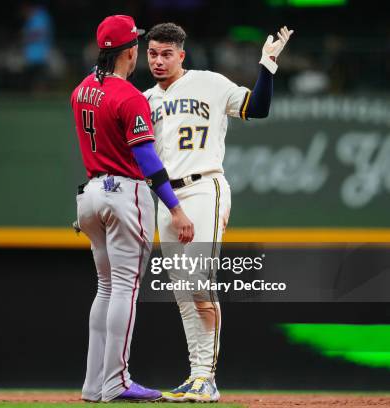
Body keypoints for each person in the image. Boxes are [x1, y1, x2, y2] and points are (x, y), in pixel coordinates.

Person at [143, 23, 293, 402]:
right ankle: (195, 375)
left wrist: (268, 64)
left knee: (198, 282)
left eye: (166, 54)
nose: (159, 61)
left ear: (181, 55)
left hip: (203, 187)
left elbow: (256, 108)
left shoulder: (209, 82)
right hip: (167, 198)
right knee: (182, 292)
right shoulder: (145, 100)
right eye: (153, 53)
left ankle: (207, 378)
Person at [71, 15, 193, 403]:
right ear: (130, 51)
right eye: (138, 45)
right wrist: (175, 207)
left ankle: (94, 384)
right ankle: (116, 382)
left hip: (90, 193)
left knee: (105, 288)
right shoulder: (129, 96)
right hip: (123, 193)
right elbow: (147, 158)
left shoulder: (81, 89)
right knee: (124, 288)